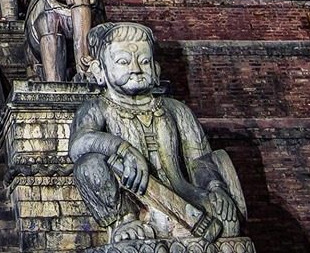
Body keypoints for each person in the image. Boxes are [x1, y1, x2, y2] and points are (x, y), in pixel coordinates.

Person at [68, 22, 244, 246]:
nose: (136, 69)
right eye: (123, 61)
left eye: (144, 61)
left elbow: (199, 160)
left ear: (156, 69)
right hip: (133, 199)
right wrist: (124, 149)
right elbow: (78, 143)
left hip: (183, 195)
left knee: (228, 223)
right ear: (99, 71)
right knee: (88, 164)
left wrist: (215, 188)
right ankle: (124, 220)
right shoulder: (96, 108)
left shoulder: (175, 110)